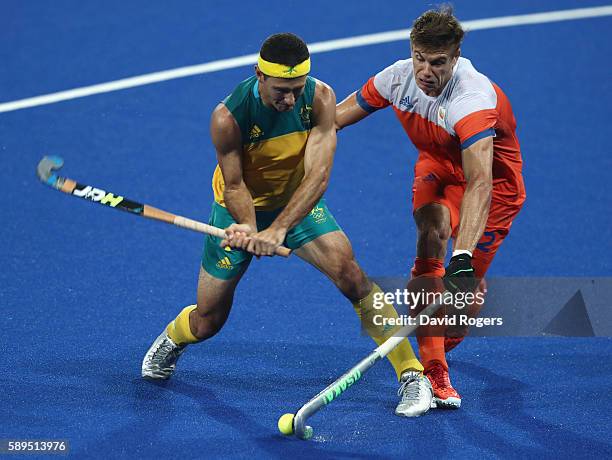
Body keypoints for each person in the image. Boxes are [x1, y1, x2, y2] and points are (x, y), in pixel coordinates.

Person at [142, 33, 434, 417]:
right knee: (209, 319)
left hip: (298, 204)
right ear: (259, 75)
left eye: (297, 89)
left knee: (351, 274)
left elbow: (318, 176)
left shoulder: (320, 98)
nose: (290, 100)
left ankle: (412, 374)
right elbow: (234, 185)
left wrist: (278, 228)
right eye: (282, 90)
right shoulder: (228, 117)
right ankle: (175, 336)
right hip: (237, 210)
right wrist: (248, 226)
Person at [335, 7, 526, 409]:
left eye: (437, 62)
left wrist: (463, 258)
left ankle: (462, 301)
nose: (425, 70)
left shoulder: (471, 100)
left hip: (494, 187)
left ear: (455, 58)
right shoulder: (398, 77)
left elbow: (480, 183)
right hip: (437, 168)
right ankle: (434, 370)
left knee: (455, 303)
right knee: (430, 233)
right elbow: (333, 120)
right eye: (419, 57)